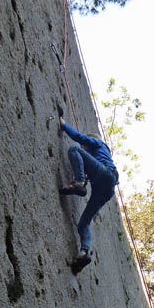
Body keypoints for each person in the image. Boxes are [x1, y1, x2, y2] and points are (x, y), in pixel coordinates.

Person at [58, 117, 119, 274]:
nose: (85, 148)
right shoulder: (99, 158)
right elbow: (85, 172)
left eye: (87, 146)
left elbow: (80, 139)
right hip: (106, 190)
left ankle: (77, 183)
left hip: (104, 175)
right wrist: (77, 183)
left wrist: (64, 125)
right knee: (83, 224)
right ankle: (84, 253)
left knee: (74, 149)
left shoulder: (98, 144)